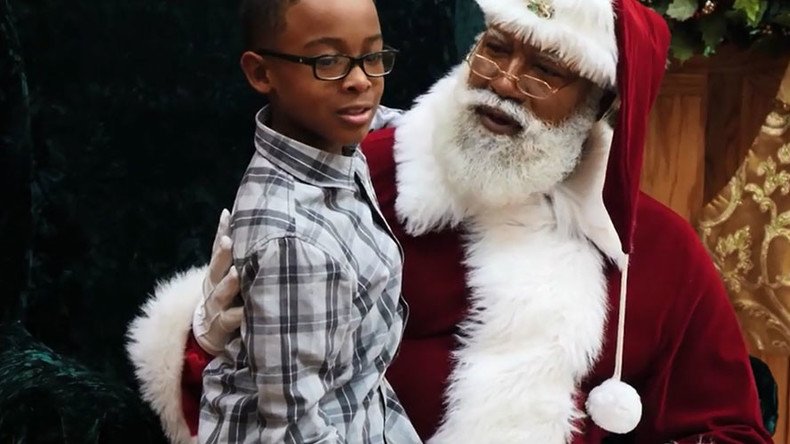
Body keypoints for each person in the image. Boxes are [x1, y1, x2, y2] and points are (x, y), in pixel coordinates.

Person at [127, 0, 773, 442]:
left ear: (600, 104)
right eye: (496, 49)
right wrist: (204, 342)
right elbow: (237, 384)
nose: (505, 83)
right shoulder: (360, 178)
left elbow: (728, 430)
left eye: (544, 71)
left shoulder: (655, 256)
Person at [129, 0, 421, 442]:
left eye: (373, 56)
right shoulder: (292, 242)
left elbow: (390, 120)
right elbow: (293, 429)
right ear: (261, 74)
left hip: (363, 405)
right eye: (329, 61)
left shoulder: (328, 135)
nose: (361, 80)